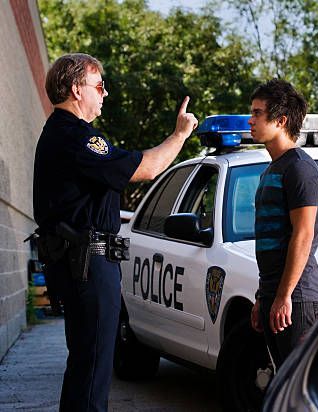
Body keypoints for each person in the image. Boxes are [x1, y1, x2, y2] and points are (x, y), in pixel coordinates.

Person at [33, 53, 198, 411]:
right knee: (92, 369)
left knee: (86, 365)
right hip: (87, 265)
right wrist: (180, 134)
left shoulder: (62, 134)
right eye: (99, 86)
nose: (105, 94)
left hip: (81, 262)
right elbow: (148, 168)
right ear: (77, 90)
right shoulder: (77, 137)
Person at [248, 79, 318, 370]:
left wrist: (284, 296)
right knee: (283, 383)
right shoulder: (272, 169)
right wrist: (263, 296)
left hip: (300, 299)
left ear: (280, 120)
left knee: (298, 387)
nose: (251, 119)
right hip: (275, 295)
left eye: (257, 113)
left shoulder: (300, 168)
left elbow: (303, 236)